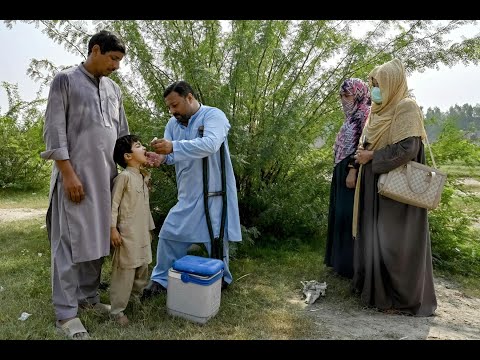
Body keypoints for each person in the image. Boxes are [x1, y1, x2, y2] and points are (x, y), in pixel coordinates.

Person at [41, 30, 130, 339]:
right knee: (67, 246)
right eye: (113, 58)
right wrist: (67, 173)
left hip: (105, 178)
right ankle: (66, 314)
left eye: (119, 60)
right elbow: (54, 129)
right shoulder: (65, 80)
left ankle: (88, 299)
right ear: (95, 50)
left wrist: (136, 171)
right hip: (74, 179)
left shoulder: (114, 90)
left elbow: (122, 139)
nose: (116, 66)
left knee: (96, 243)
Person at [351, 58, 437, 316]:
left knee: (396, 245)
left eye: (380, 84)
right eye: (373, 84)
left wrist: (372, 157)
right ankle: (381, 294)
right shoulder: (379, 109)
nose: (376, 89)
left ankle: (403, 300)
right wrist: (362, 156)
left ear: (392, 83)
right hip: (376, 187)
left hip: (398, 195)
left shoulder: (406, 107)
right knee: (377, 241)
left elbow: (408, 148)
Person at [142, 80, 242, 298]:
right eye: (169, 107)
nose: (172, 111)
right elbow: (171, 155)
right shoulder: (173, 124)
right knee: (169, 233)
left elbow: (210, 144)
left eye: (175, 105)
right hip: (187, 193)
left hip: (214, 192)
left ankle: (220, 277)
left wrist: (173, 147)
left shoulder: (213, 116)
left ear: (189, 97)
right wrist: (160, 157)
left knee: (216, 238)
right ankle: (161, 280)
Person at [324, 78, 370, 279]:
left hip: (351, 171)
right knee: (338, 212)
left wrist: (353, 170)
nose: (343, 100)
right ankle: (337, 262)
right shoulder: (350, 116)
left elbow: (363, 145)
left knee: (347, 215)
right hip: (340, 170)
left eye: (347, 95)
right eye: (341, 96)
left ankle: (349, 266)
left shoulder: (364, 115)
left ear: (359, 94)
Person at [110, 135, 155, 326]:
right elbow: (113, 205)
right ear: (128, 156)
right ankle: (117, 311)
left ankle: (135, 299)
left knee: (142, 266)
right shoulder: (124, 177)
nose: (143, 147)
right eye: (139, 146)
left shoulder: (143, 177)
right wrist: (112, 229)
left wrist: (150, 228)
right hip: (127, 234)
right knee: (125, 271)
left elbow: (145, 206)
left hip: (142, 232)